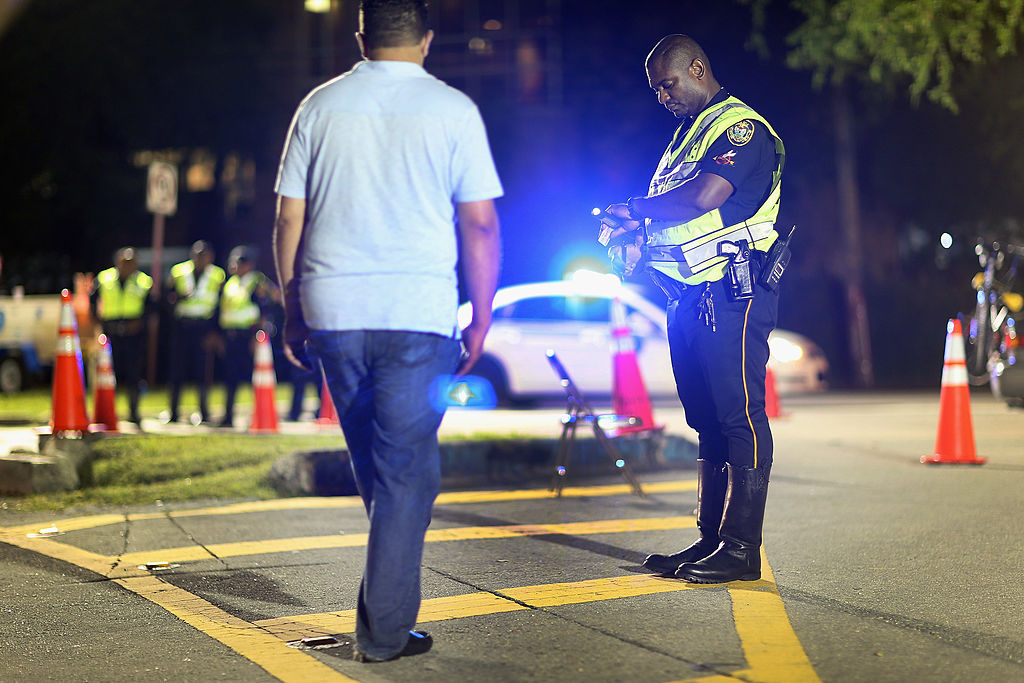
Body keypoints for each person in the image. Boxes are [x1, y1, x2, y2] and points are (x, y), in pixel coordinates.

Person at [273, 0, 502, 663]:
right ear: (426, 41)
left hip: (334, 310)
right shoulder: (454, 109)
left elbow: (290, 218)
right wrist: (480, 314)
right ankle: (383, 634)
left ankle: (390, 613)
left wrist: (293, 304)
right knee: (406, 471)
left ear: (361, 37)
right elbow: (481, 224)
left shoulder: (319, 106)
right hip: (416, 310)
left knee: (381, 464)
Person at [603, 35, 785, 584]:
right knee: (705, 421)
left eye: (668, 83)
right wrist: (634, 238)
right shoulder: (685, 138)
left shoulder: (740, 129)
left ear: (698, 68)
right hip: (688, 297)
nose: (662, 95)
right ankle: (710, 540)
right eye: (656, 88)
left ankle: (741, 548)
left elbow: (705, 198)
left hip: (734, 293)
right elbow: (674, 216)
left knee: (740, 417)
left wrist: (632, 209)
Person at [217, 246, 279, 428]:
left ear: (248, 265)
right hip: (231, 335)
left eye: (238, 263)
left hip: (249, 335)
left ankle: (255, 415)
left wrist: (257, 337)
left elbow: (265, 310)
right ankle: (228, 416)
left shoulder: (257, 282)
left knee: (253, 377)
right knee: (230, 377)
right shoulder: (231, 283)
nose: (234, 266)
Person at [91, 247, 153, 426]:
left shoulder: (144, 281)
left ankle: (134, 413)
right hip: (111, 333)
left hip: (134, 335)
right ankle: (110, 413)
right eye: (124, 262)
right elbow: (92, 301)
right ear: (117, 262)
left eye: (131, 262)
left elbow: (152, 307)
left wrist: (141, 322)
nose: (127, 266)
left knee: (134, 374)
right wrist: (98, 322)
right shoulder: (104, 278)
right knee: (109, 375)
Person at [166, 240, 225, 424]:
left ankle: (203, 411)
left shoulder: (217, 275)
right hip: (183, 325)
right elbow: (167, 298)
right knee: (177, 370)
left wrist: (214, 332)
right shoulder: (178, 272)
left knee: (203, 371)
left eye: (204, 255)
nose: (200, 259)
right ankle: (173, 412)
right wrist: (176, 299)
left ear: (210, 257)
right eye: (198, 255)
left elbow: (220, 305)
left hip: (203, 327)